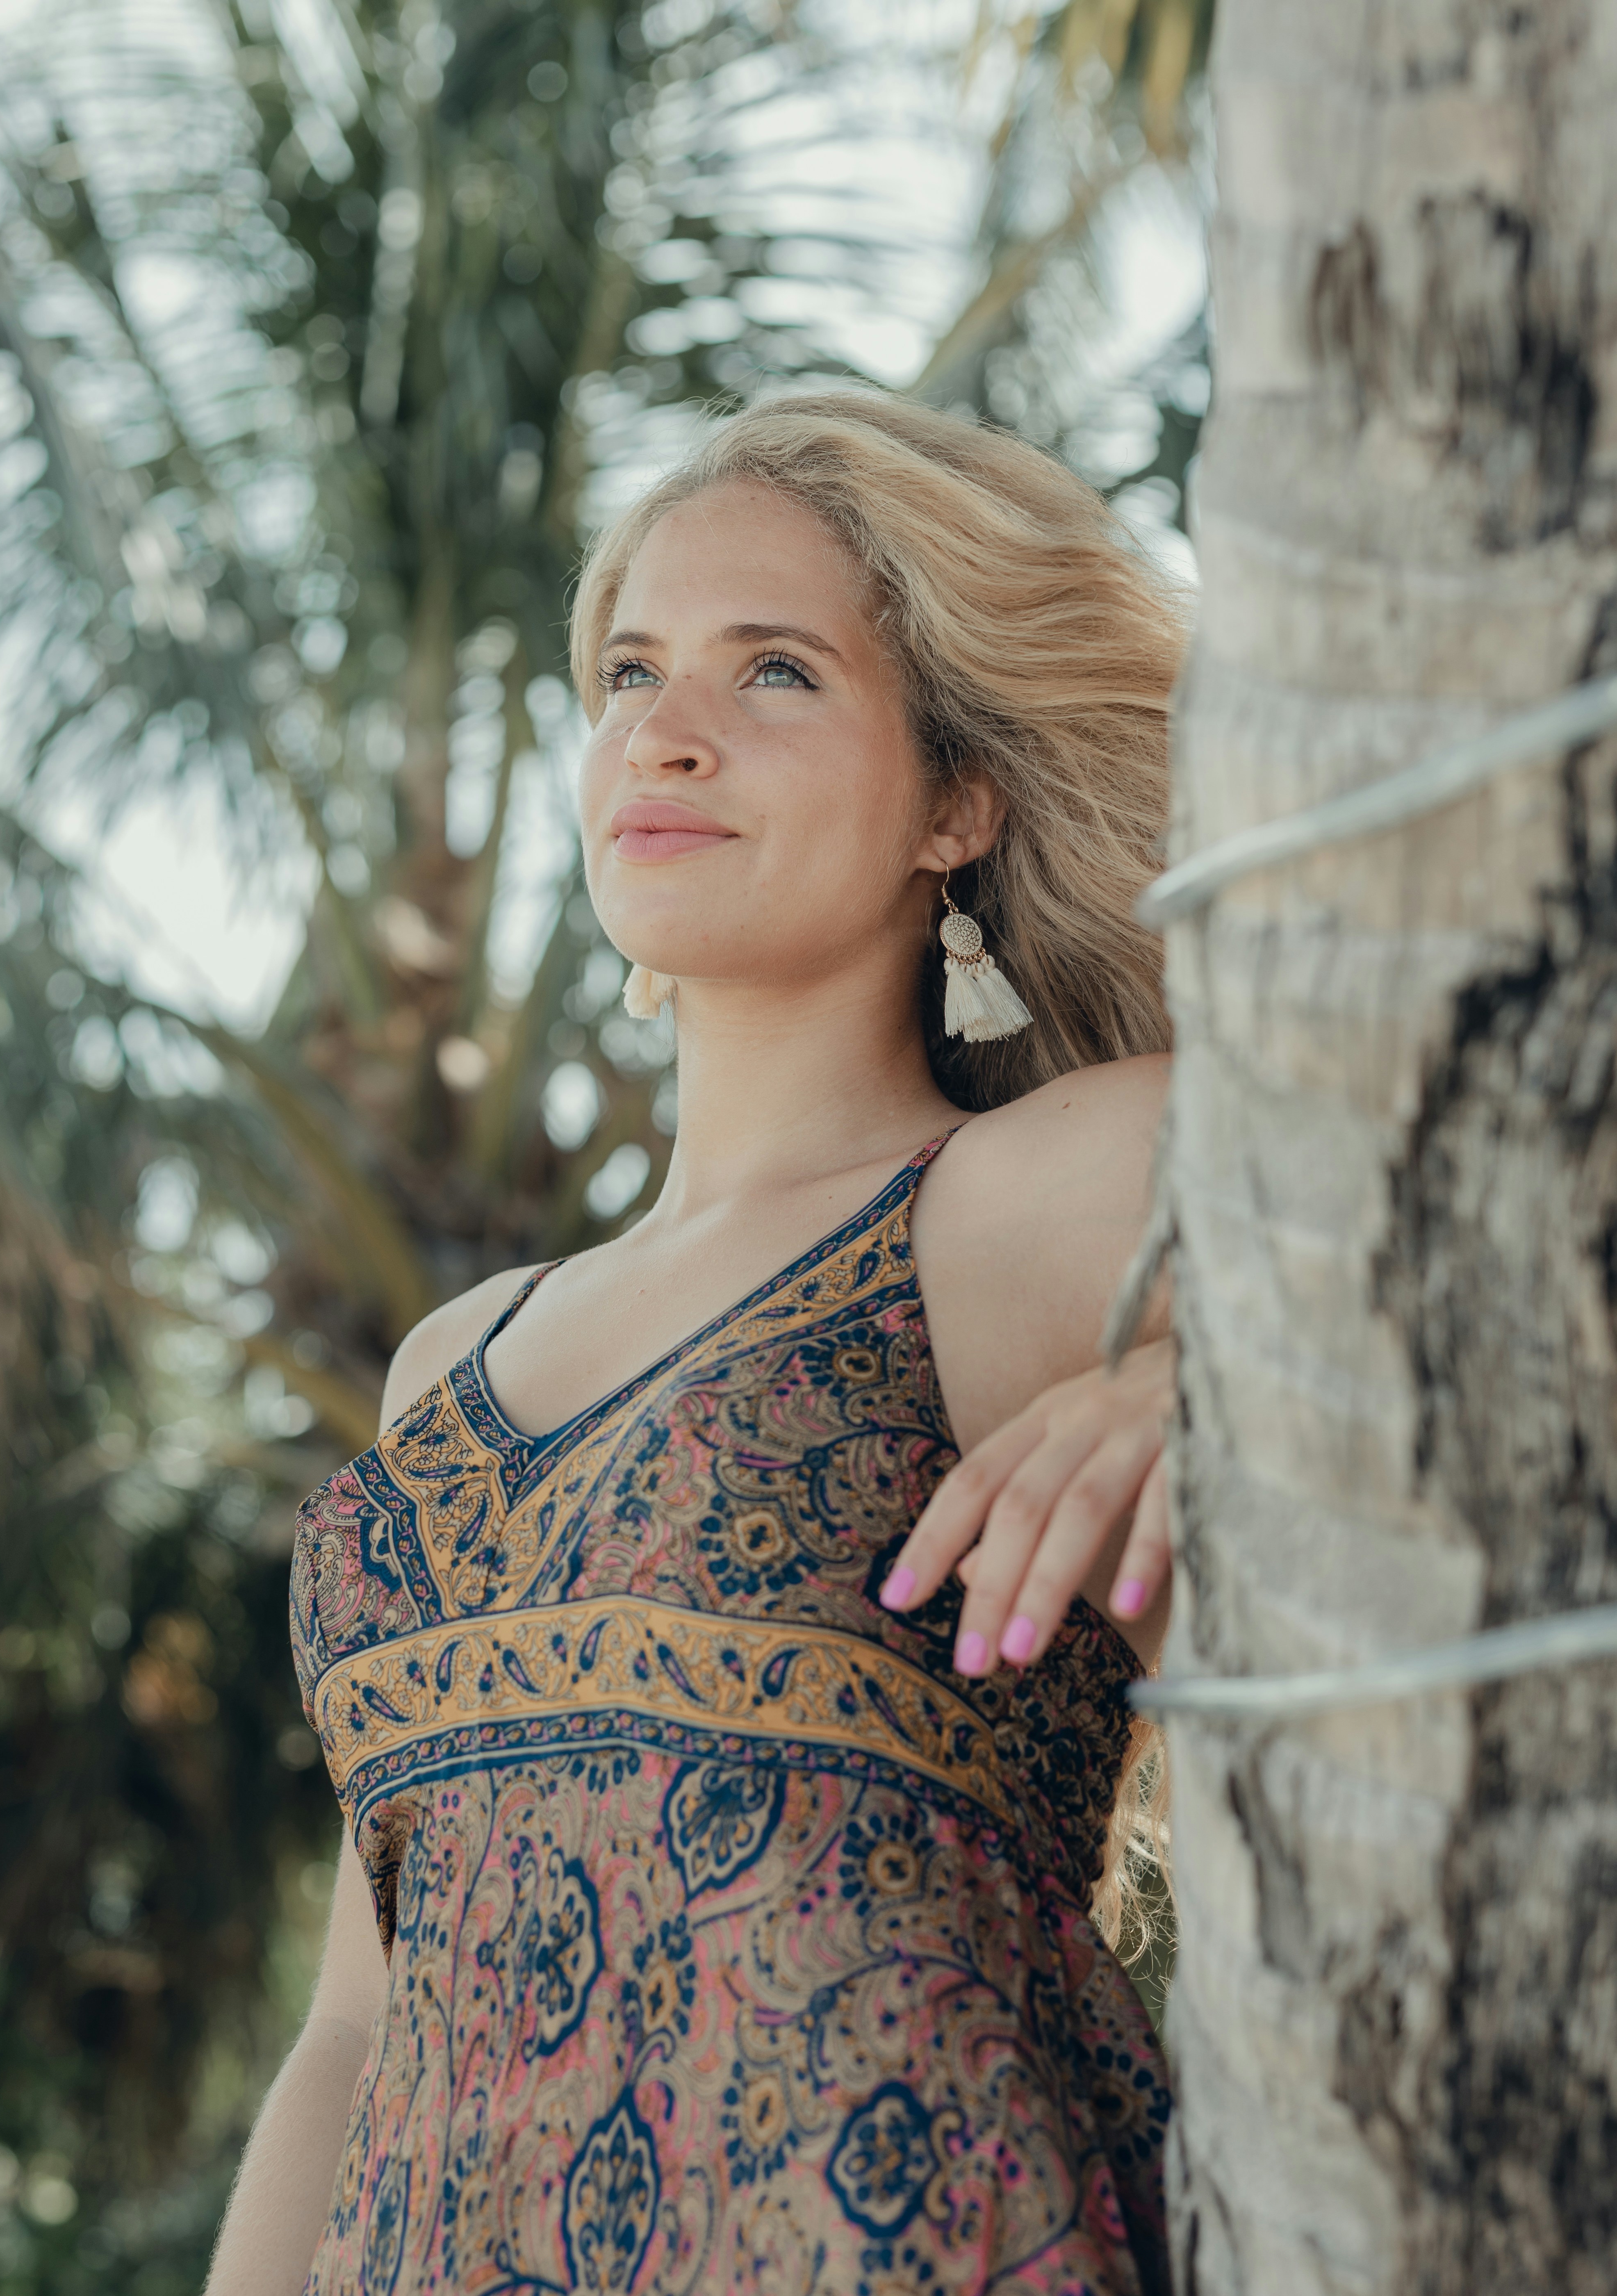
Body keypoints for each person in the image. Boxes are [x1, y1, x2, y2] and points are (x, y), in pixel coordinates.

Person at [206, 393, 1184, 2296]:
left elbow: (1496, 1241)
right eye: (632, 667)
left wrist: (1202, 1376)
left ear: (955, 802)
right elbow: (354, 2023)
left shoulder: (1032, 1194)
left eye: (778, 672)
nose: (665, 728)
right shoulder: (447, 1366)